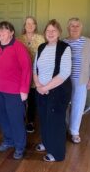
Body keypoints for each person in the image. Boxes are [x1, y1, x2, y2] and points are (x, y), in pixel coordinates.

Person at [0, 21, 32, 160]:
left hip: (14, 91)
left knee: (16, 119)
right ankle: (8, 140)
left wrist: (24, 89)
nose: (1, 33)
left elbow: (27, 68)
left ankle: (19, 146)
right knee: (2, 117)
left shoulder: (19, 47)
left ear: (12, 32)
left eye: (5, 30)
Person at [33, 19, 72, 162]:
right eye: (48, 30)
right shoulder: (41, 47)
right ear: (44, 33)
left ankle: (56, 153)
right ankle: (46, 142)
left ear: (59, 33)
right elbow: (34, 68)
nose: (50, 33)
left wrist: (45, 87)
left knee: (56, 121)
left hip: (58, 92)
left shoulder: (65, 48)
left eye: (53, 31)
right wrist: (38, 85)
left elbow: (64, 73)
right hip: (41, 91)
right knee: (44, 118)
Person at [63, 17, 90, 144]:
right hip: (63, 80)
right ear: (68, 28)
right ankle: (64, 128)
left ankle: (74, 131)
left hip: (81, 79)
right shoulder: (63, 42)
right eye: (72, 26)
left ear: (81, 28)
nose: (75, 28)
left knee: (78, 105)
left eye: (77, 26)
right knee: (64, 104)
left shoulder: (88, 42)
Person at [17, 16, 45, 133]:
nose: (30, 25)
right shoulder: (18, 39)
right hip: (21, 74)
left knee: (33, 100)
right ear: (24, 25)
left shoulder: (41, 38)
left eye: (32, 23)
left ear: (35, 25)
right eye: (27, 23)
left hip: (35, 73)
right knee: (21, 100)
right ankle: (20, 120)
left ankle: (31, 121)